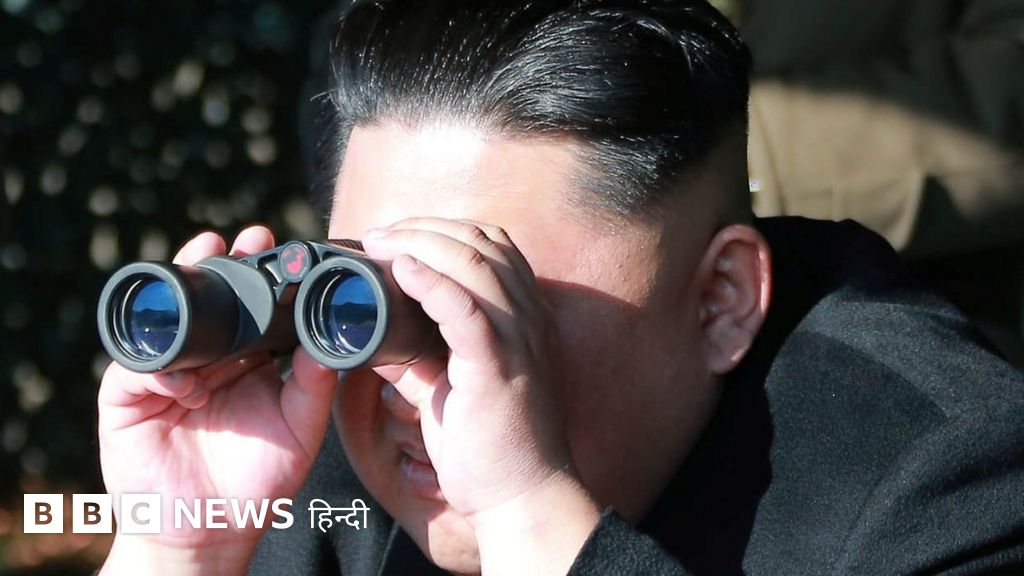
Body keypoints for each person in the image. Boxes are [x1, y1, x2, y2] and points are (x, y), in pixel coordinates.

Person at [96, 1, 1024, 574]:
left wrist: (529, 515)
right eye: (366, 296)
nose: (422, 388)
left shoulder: (940, 485)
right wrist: (176, 550)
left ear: (721, 301)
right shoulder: (330, 442)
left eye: (491, 302)